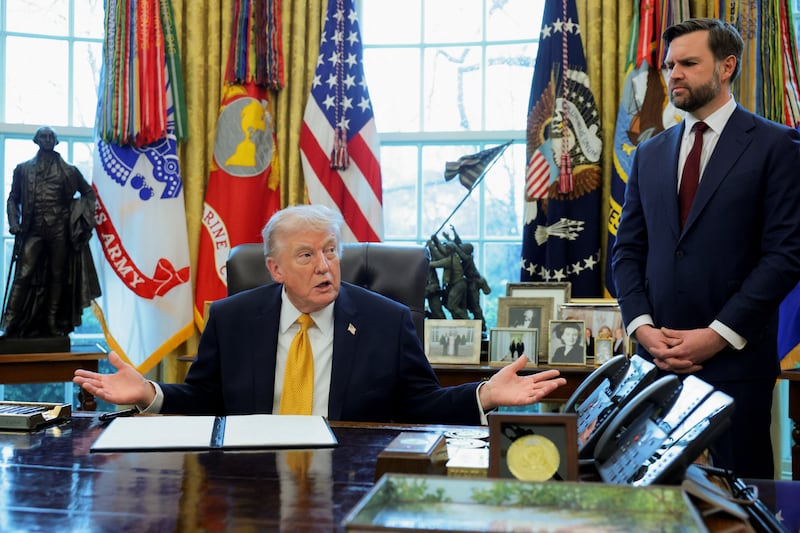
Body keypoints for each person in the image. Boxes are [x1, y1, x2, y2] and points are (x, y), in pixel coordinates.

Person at [74, 204, 566, 424]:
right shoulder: (233, 318)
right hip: (250, 480)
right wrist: (150, 393)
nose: (325, 265)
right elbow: (206, 399)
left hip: (348, 475)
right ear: (275, 269)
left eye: (331, 250)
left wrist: (485, 394)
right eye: (306, 255)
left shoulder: (386, 320)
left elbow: (420, 405)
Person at [612, 18, 800, 478]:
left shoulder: (777, 146)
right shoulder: (649, 154)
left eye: (688, 63)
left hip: (736, 362)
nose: (673, 73)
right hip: (654, 361)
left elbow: (785, 255)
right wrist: (641, 327)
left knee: (743, 499)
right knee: (646, 498)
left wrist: (715, 336)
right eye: (670, 64)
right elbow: (627, 252)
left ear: (726, 67)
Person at [2, 126, 100, 338]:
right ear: (36, 140)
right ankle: (9, 324)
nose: (47, 140)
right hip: (33, 230)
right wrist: (13, 222)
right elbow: (13, 199)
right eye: (43, 136)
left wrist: (79, 218)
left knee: (58, 276)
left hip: (59, 230)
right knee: (23, 275)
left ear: (56, 142)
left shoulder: (70, 171)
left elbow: (88, 194)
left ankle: (52, 322)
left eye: (50, 137)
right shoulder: (23, 169)